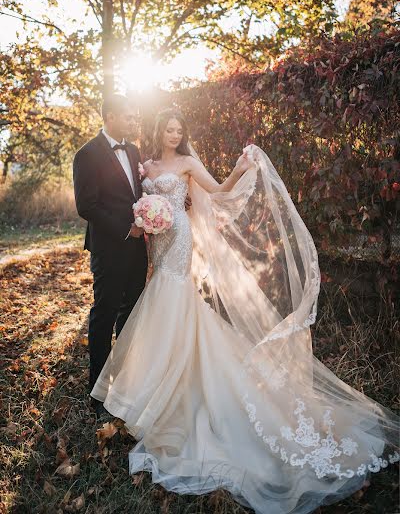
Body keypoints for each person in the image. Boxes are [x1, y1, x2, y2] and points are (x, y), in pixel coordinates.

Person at [90, 108, 399, 514]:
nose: (173, 133)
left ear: (183, 134)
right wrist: (149, 215)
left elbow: (217, 191)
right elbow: (140, 197)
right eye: (168, 128)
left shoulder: (186, 162)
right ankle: (152, 389)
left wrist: (238, 169)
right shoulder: (147, 161)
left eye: (179, 129)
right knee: (159, 304)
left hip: (179, 243)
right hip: (159, 242)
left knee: (172, 299)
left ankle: (170, 394)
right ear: (158, 131)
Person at [73, 94, 147, 417]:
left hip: (137, 249)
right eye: (128, 115)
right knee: (104, 316)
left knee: (130, 315)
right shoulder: (86, 154)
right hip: (109, 247)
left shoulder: (133, 150)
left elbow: (138, 194)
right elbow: (86, 205)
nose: (133, 120)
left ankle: (125, 383)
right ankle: (97, 393)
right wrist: (124, 228)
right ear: (111, 116)